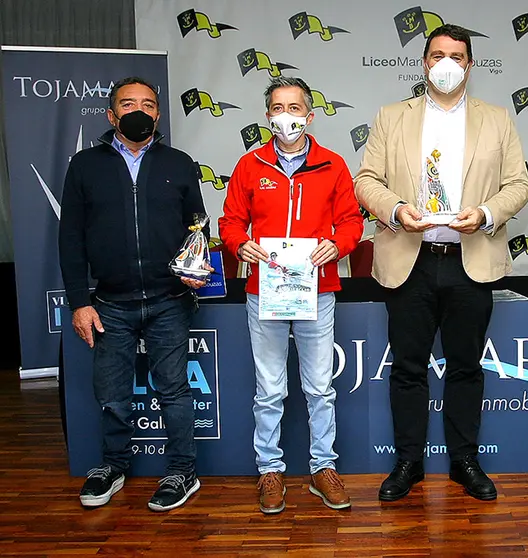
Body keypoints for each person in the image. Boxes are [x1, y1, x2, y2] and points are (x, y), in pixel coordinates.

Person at [354, 24, 528, 502]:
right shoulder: (392, 117)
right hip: (408, 258)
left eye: (457, 55)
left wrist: (487, 213)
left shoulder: (497, 119)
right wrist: (395, 210)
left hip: (469, 259)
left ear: (470, 65)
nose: (447, 64)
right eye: (438, 55)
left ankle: (464, 460)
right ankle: (408, 462)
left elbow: (519, 184)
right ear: (424, 62)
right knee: (407, 367)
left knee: (466, 366)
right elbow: (367, 180)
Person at [58, 77, 209, 511]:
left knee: (175, 391)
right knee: (112, 392)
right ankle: (113, 466)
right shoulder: (85, 165)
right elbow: (70, 238)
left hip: (169, 300)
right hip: (109, 302)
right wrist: (79, 301)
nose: (138, 110)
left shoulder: (179, 162)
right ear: (111, 115)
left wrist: (195, 264)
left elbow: (198, 226)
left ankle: (183, 471)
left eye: (147, 103)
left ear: (158, 114)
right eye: (128, 104)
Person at [218, 76, 363, 515]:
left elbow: (352, 222)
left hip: (315, 291)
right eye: (279, 108)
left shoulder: (333, 165)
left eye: (295, 107)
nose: (287, 116)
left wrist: (337, 245)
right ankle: (270, 470)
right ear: (268, 117)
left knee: (320, 388)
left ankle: (323, 468)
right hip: (266, 292)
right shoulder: (250, 165)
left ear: (310, 114)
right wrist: (239, 243)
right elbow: (229, 221)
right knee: (269, 389)